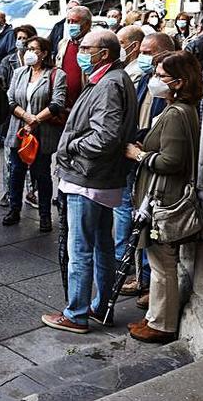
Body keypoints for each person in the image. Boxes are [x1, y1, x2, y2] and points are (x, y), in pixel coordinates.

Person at [42, 29, 137, 334]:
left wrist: (71, 147)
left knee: (81, 247)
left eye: (86, 47)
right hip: (98, 178)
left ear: (104, 53)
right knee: (101, 245)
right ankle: (100, 307)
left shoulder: (109, 83)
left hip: (88, 178)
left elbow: (105, 137)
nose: (80, 51)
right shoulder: (110, 79)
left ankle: (76, 313)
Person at [125, 50, 202, 343]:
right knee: (159, 262)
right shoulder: (179, 110)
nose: (155, 80)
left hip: (164, 199)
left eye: (161, 76)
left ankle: (162, 324)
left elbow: (171, 161)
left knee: (162, 264)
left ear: (179, 82)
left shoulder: (176, 113)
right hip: (161, 195)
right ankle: (155, 317)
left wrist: (139, 154)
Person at [113, 32, 176, 304]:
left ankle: (147, 281)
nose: (143, 56)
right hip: (135, 156)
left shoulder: (173, 96)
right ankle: (131, 272)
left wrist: (142, 153)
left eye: (149, 52)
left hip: (151, 163)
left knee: (148, 222)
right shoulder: (147, 82)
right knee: (129, 212)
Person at [2, 36, 66, 233]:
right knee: (16, 171)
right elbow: (10, 99)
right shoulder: (20, 73)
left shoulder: (56, 75)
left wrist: (36, 120)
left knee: (42, 174)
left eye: (34, 49)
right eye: (28, 48)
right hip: (19, 131)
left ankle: (45, 215)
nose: (29, 52)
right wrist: (26, 117)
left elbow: (57, 103)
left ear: (44, 53)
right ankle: (14, 208)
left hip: (42, 133)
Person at [0, 24, 38, 209]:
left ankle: (31, 191)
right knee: (10, 160)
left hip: (33, 119)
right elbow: (4, 91)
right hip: (12, 117)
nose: (21, 42)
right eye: (19, 38)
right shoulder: (9, 61)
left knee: (31, 158)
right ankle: (9, 193)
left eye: (25, 39)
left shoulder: (40, 67)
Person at [56, 6, 93, 116]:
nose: (71, 25)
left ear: (87, 24)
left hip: (84, 105)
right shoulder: (63, 43)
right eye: (69, 21)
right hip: (62, 104)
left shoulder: (94, 44)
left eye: (75, 21)